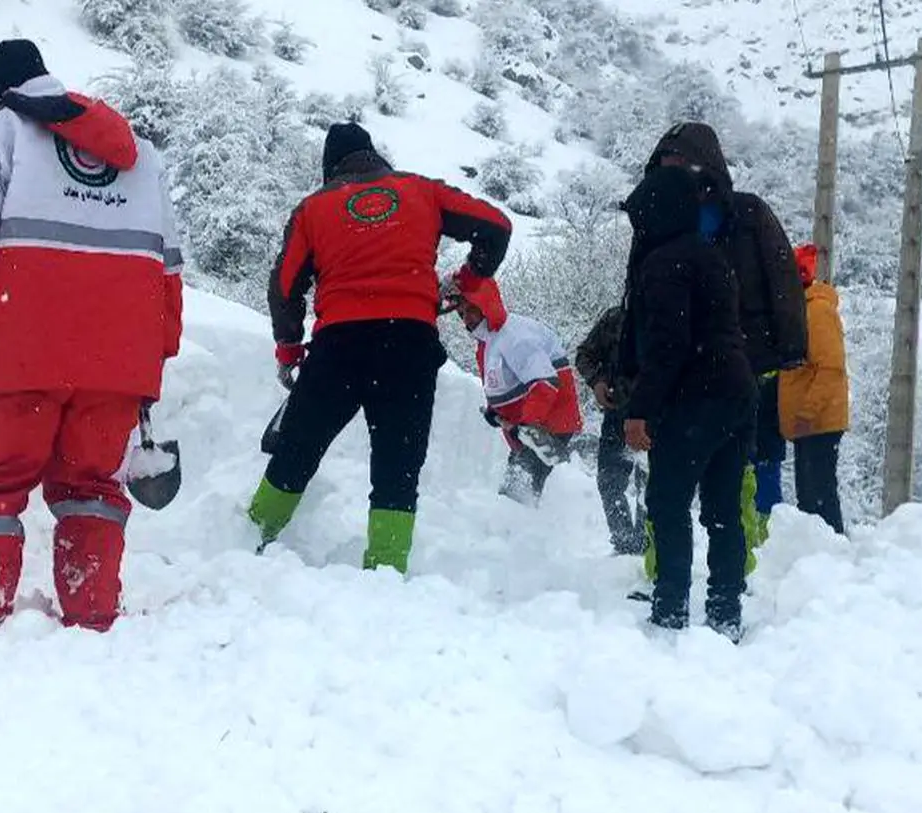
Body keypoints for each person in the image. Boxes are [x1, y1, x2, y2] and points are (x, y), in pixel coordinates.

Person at [0, 40, 183, 644]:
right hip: (118, 368)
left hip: (17, 359)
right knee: (92, 489)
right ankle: (93, 617)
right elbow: (167, 271)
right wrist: (156, 353)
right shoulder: (141, 157)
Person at [248, 122, 512, 574]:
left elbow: (285, 284)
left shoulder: (314, 208)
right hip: (409, 346)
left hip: (339, 347)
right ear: (375, 156)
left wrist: (289, 348)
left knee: (298, 448)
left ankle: (249, 536)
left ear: (330, 168)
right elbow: (496, 226)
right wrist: (470, 279)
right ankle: (385, 570)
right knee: (398, 464)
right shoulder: (421, 191)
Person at [646, 122, 806, 557]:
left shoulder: (747, 213)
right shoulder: (659, 217)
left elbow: (782, 276)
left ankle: (738, 575)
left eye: (681, 162)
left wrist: (788, 347)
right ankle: (665, 575)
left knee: (732, 483)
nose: (673, 171)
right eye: (667, 162)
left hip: (742, 361)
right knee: (667, 486)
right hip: (680, 365)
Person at [619, 165, 757, 642]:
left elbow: (667, 344)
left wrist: (639, 408)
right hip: (737, 391)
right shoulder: (712, 257)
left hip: (694, 396)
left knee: (667, 500)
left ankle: (672, 608)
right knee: (722, 508)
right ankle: (724, 611)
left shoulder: (664, 263)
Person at [447, 273, 583, 504]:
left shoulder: (515, 336)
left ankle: (526, 534)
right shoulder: (489, 342)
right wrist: (495, 411)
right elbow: (502, 382)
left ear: (485, 304)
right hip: (527, 430)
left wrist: (529, 423)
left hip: (546, 427)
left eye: (470, 310)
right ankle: (529, 531)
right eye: (461, 314)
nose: (466, 319)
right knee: (516, 494)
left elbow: (544, 382)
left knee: (516, 498)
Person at [779, 244, 849, 534]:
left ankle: (831, 551)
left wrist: (808, 412)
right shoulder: (804, 309)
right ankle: (822, 552)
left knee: (818, 494)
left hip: (818, 420)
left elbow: (830, 367)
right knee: (809, 496)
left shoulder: (816, 311)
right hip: (809, 421)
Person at [574, 305, 646, 553]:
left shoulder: (674, 313)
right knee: (609, 480)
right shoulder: (617, 317)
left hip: (658, 416)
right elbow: (584, 355)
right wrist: (598, 381)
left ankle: (648, 544)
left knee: (651, 487)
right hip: (617, 412)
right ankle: (624, 544)